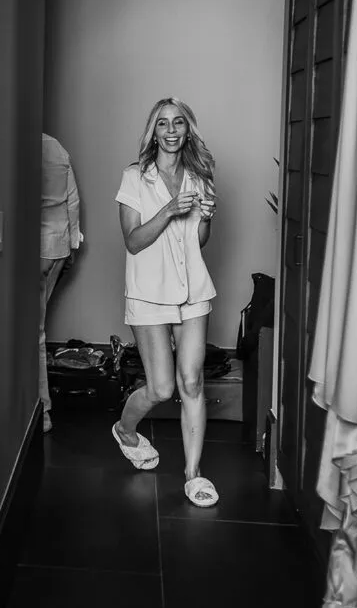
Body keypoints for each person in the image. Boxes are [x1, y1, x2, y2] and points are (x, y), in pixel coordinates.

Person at [112, 96, 219, 507]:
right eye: (162, 124)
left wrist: (205, 217)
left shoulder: (200, 174)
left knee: (191, 382)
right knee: (159, 387)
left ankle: (193, 474)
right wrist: (170, 210)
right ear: (152, 132)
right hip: (148, 294)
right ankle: (125, 430)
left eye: (178, 123)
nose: (171, 131)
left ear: (187, 129)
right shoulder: (134, 177)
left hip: (194, 291)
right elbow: (134, 241)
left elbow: (200, 241)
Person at [39, 133, 83, 433]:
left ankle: (41, 410)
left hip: (33, 244)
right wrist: (72, 246)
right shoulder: (54, 146)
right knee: (37, 330)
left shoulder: (15, 144)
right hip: (57, 245)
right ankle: (41, 408)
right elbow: (73, 201)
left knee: (33, 333)